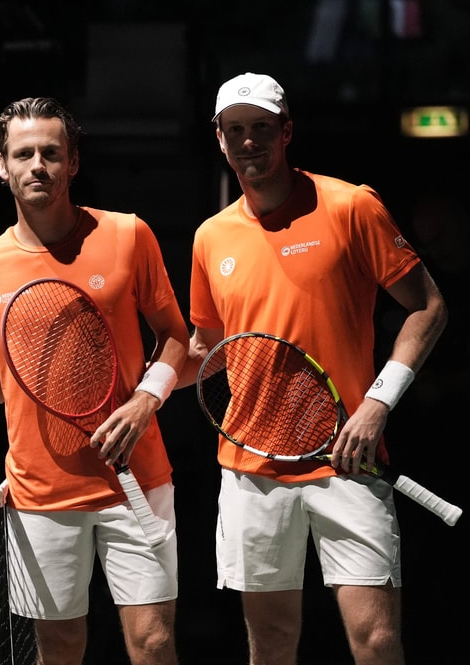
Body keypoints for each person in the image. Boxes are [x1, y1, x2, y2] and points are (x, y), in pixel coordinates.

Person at [181, 72, 448, 665]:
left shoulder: (352, 205)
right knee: (270, 644)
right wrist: (142, 390)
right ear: (219, 139)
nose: (249, 142)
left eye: (262, 129)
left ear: (287, 131)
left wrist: (378, 403)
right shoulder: (209, 237)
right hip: (251, 470)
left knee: (377, 642)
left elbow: (429, 308)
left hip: (347, 462)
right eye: (235, 131)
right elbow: (206, 350)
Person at [0, 96, 187, 665]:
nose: (37, 164)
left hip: (136, 482)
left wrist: (146, 399)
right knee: (59, 649)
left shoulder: (128, 234)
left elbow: (175, 334)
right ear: (2, 166)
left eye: (50, 153)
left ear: (72, 162)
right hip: (41, 493)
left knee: (154, 643)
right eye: (24, 154)